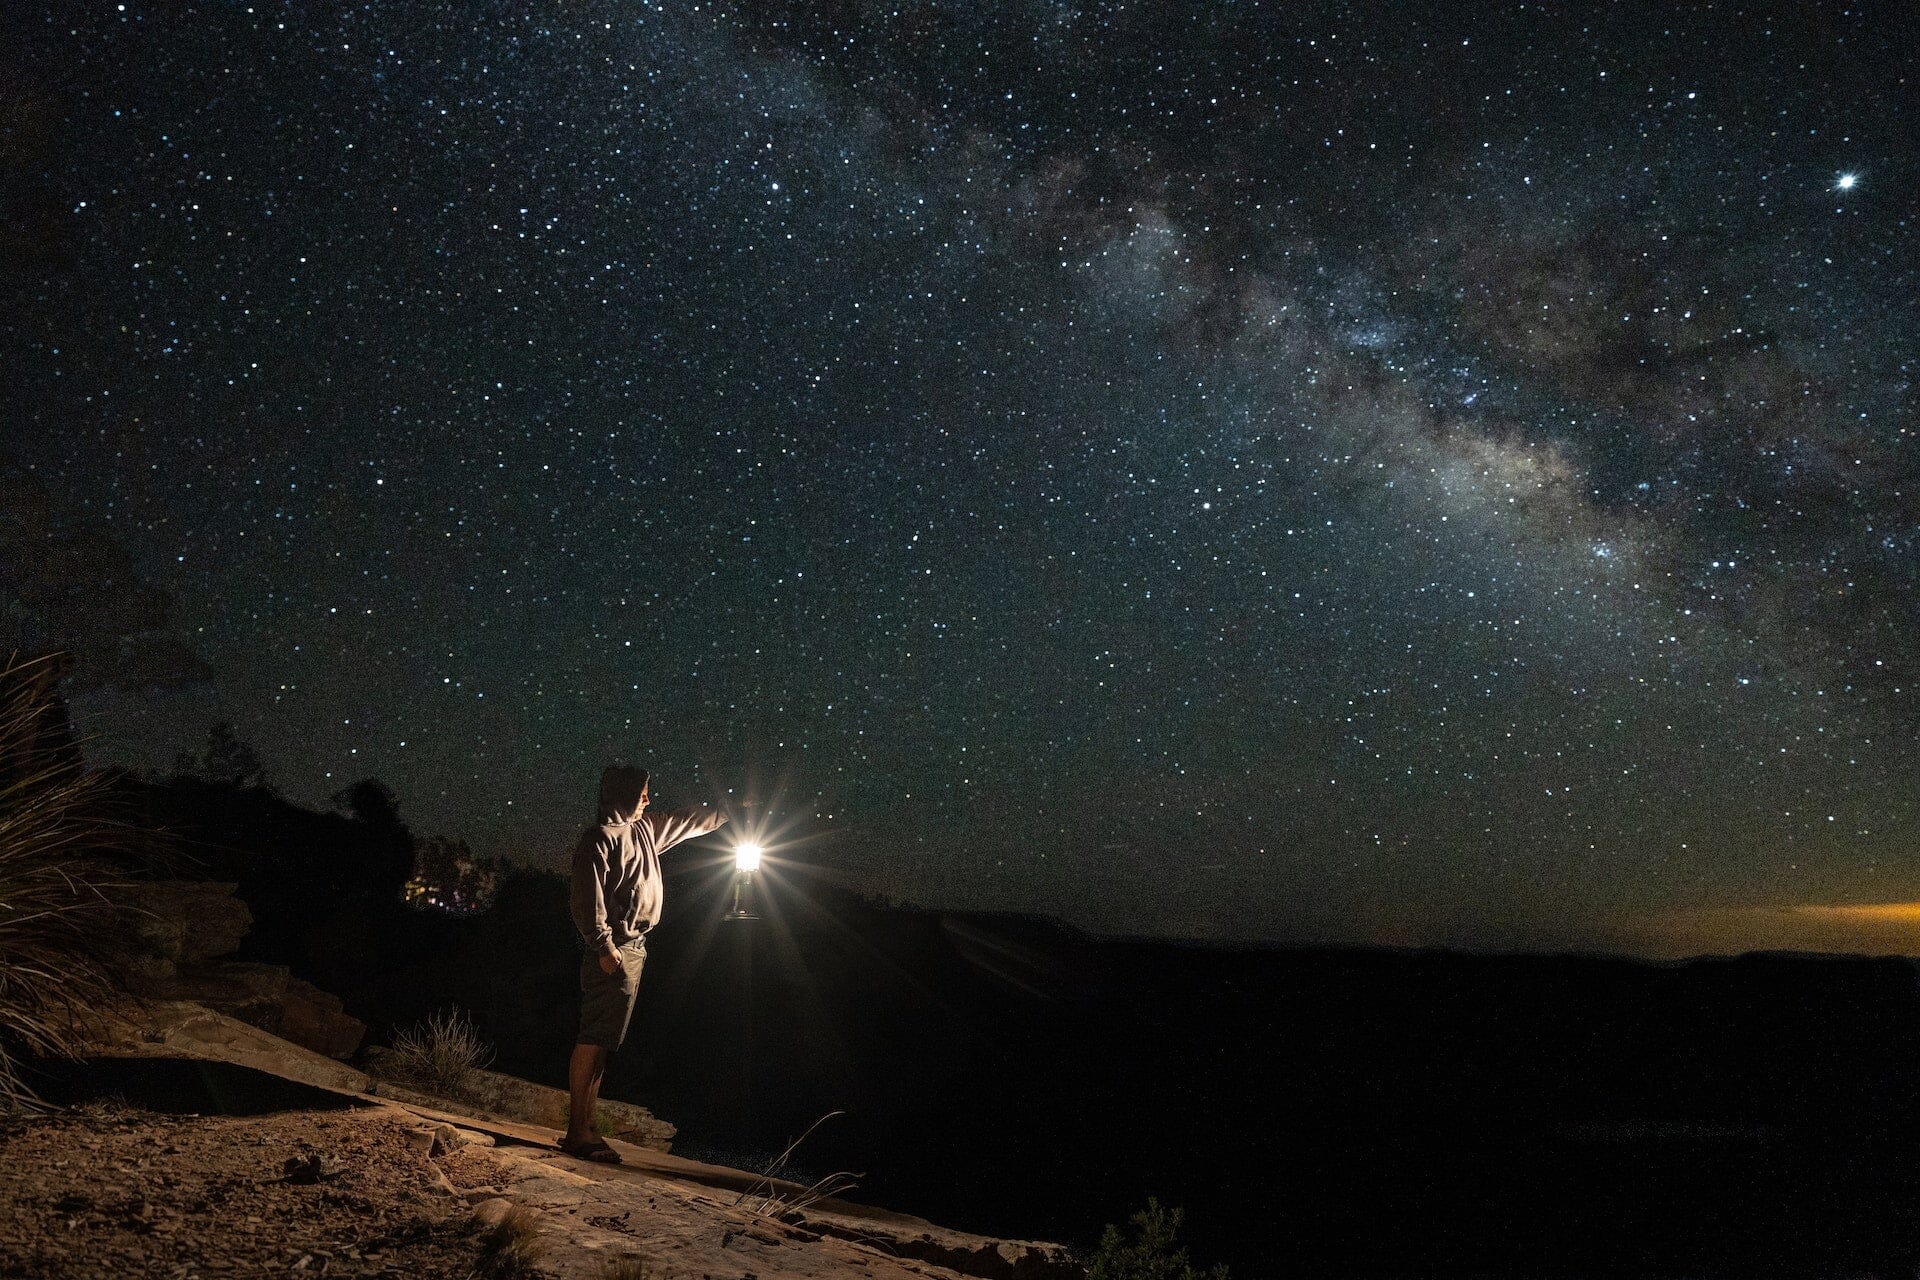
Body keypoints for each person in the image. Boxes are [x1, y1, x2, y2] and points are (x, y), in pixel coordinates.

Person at [561, 763, 727, 1162]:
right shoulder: (599, 839)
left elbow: (686, 822)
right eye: (643, 792)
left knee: (605, 1043)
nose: (649, 799)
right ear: (623, 794)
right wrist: (604, 947)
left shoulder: (644, 830)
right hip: (614, 951)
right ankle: (577, 1132)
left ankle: (584, 1128)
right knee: (594, 1038)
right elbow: (586, 899)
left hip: (634, 948)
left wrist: (730, 811)